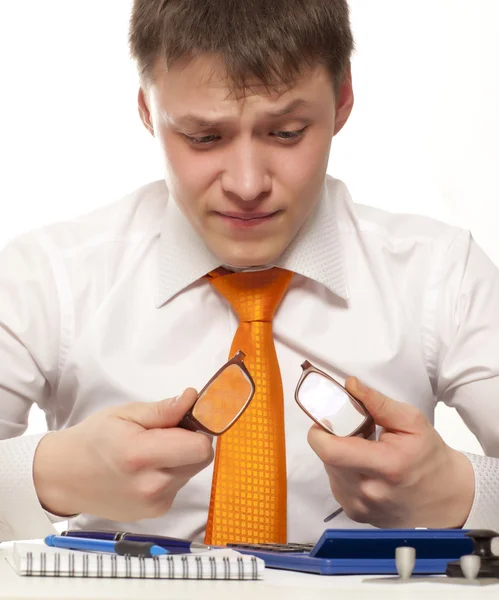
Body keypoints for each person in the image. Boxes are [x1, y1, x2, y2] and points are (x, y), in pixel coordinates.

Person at [1, 0, 499, 545]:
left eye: (286, 132)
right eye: (203, 137)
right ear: (148, 110)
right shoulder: (45, 278)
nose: (245, 183)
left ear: (342, 100)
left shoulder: (441, 275)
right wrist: (45, 476)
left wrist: (463, 490)